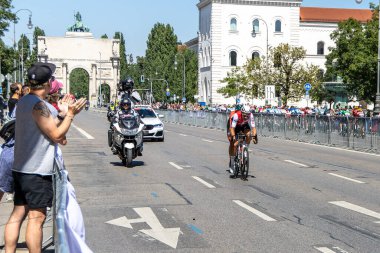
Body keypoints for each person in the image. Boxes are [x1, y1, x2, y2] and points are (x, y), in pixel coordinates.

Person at [4, 62, 86, 253]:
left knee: (17, 214)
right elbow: (57, 136)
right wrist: (71, 115)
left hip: (20, 169)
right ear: (48, 83)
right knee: (36, 218)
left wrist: (62, 115)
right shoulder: (39, 105)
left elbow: (46, 127)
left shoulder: (24, 101)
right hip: (37, 172)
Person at [227, 104, 257, 174]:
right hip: (234, 126)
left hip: (243, 125)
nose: (246, 116)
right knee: (232, 143)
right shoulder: (236, 115)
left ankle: (245, 147)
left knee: (248, 134)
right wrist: (234, 136)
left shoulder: (251, 115)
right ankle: (232, 161)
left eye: (247, 115)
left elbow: (253, 128)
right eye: (244, 115)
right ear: (242, 113)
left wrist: (254, 136)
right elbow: (232, 128)